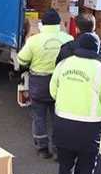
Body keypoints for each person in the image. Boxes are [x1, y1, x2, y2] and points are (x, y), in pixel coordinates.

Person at [51, 33, 101, 174]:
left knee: (65, 164)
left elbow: (53, 92)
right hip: (90, 129)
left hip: (63, 124)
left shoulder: (63, 65)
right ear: (97, 49)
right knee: (87, 166)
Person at [17, 9, 73, 159]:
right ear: (59, 23)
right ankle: (57, 149)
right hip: (61, 84)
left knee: (39, 117)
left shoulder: (34, 40)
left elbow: (21, 59)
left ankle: (42, 148)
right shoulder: (68, 39)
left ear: (42, 24)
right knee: (58, 118)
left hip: (39, 85)